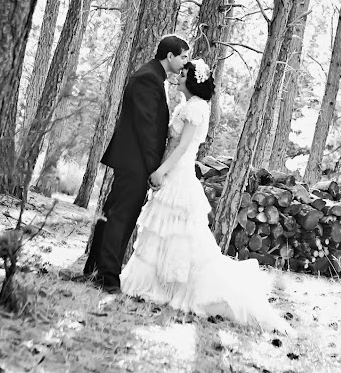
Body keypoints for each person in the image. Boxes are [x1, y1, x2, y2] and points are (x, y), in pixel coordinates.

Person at [120, 59, 292, 333]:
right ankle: (153, 284)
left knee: (183, 236)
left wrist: (160, 172)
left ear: (192, 81)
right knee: (164, 233)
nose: (179, 76)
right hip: (171, 174)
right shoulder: (185, 106)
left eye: (184, 74)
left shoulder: (196, 108)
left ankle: (182, 288)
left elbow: (183, 147)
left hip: (179, 174)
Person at [83, 35, 190, 293]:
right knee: (122, 217)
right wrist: (154, 168)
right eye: (184, 56)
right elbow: (145, 129)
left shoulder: (156, 77)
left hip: (134, 159)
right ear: (170, 56)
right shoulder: (147, 78)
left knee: (113, 213)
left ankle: (95, 269)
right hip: (135, 160)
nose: (186, 62)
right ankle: (108, 277)